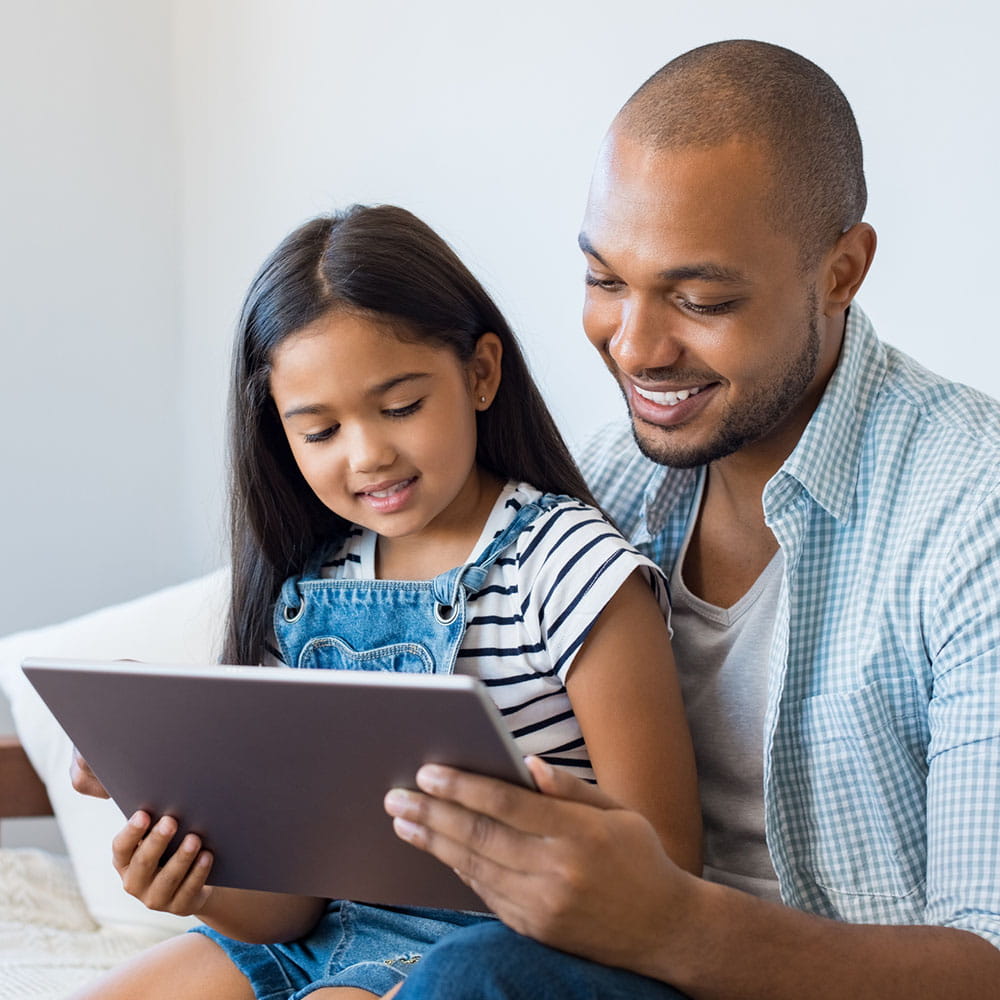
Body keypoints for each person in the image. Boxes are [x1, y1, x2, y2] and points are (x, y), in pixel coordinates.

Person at [381, 39, 1000, 999]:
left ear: (841, 272)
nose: (635, 347)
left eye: (701, 299)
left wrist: (673, 925)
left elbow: (991, 960)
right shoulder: (606, 481)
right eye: (604, 280)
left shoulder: (974, 508)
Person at [67, 204, 701, 1000]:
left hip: (514, 946)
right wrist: (202, 885)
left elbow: (670, 869)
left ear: (480, 373)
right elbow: (292, 909)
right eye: (320, 431)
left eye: (400, 407)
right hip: (328, 940)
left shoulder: (569, 568)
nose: (368, 454)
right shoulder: (305, 588)